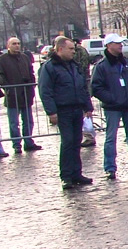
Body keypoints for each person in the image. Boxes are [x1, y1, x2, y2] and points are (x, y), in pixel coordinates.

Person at [38, 36, 95, 189]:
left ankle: (77, 173)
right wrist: (51, 112)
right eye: (70, 49)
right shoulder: (49, 67)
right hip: (63, 110)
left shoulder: (74, 65)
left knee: (76, 141)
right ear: (60, 49)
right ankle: (66, 175)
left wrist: (87, 106)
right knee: (68, 142)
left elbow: (82, 87)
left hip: (76, 108)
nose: (73, 52)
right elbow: (45, 91)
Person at [91, 34, 128, 180]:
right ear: (109, 45)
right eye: (117, 43)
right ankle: (110, 167)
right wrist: (112, 99)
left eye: (120, 43)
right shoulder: (101, 66)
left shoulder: (127, 63)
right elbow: (96, 87)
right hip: (113, 108)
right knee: (111, 137)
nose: (120, 45)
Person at [0, 36, 41, 153]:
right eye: (14, 43)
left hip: (26, 94)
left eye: (18, 43)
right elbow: (0, 75)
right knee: (14, 123)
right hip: (12, 95)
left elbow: (31, 72)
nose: (17, 46)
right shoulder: (2, 59)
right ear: (8, 46)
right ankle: (16, 144)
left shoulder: (24, 57)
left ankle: (28, 141)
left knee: (28, 121)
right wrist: (7, 88)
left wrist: (31, 85)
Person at [73, 39, 97, 147]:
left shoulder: (79, 52)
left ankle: (89, 135)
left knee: (85, 113)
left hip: (81, 84)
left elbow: (82, 67)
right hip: (80, 84)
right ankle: (86, 135)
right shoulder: (80, 51)